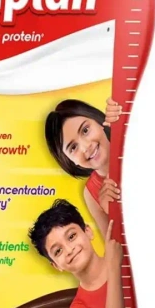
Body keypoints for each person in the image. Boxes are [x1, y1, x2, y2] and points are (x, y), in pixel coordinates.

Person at [29, 199, 126, 308]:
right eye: (58, 251)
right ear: (56, 265)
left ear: (88, 231)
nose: (69, 250)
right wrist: (114, 269)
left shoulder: (124, 255)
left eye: (71, 236)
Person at [45, 98, 122, 233]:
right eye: (73, 147)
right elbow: (113, 245)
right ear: (70, 161)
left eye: (85, 130)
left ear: (99, 122)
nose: (86, 147)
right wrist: (113, 213)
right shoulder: (91, 193)